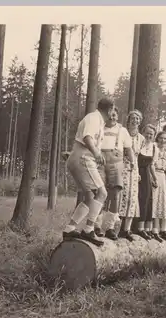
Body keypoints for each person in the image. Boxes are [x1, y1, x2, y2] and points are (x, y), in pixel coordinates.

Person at [64, 98, 115, 247]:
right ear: (110, 110)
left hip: (80, 158)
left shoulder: (98, 121)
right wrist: (96, 153)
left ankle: (70, 228)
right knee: (102, 193)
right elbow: (87, 137)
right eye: (113, 111)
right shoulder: (93, 118)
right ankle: (89, 229)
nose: (113, 114)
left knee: (90, 197)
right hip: (84, 158)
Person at [96, 107, 134, 241]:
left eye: (114, 115)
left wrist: (132, 162)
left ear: (117, 116)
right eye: (110, 115)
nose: (112, 117)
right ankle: (97, 225)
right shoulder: (99, 128)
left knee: (115, 194)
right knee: (99, 192)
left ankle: (110, 227)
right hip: (100, 162)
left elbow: (129, 149)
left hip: (116, 162)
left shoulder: (122, 130)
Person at [118, 110, 145, 240]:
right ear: (129, 120)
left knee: (132, 198)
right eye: (133, 118)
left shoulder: (141, 138)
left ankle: (126, 229)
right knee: (120, 196)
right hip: (121, 166)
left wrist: (138, 172)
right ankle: (114, 228)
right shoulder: (123, 132)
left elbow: (137, 157)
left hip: (134, 169)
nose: (135, 121)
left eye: (138, 119)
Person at [151, 131, 166, 243]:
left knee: (160, 203)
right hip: (154, 174)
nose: (163, 141)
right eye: (161, 138)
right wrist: (153, 178)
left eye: (165, 139)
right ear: (157, 139)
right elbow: (150, 164)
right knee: (153, 201)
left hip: (162, 176)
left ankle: (157, 230)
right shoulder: (153, 149)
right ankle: (151, 229)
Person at [136, 124, 158, 241]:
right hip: (137, 173)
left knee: (148, 199)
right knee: (140, 199)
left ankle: (146, 228)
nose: (149, 136)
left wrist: (154, 178)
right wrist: (136, 173)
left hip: (146, 174)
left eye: (151, 134)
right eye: (147, 133)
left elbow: (151, 165)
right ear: (143, 133)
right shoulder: (139, 143)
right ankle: (138, 228)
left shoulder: (154, 148)